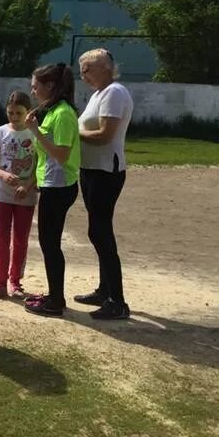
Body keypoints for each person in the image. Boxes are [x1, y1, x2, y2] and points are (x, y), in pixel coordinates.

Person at [74, 49, 135, 319]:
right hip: (90, 169)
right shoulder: (99, 94)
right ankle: (104, 289)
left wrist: (73, 134)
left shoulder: (115, 92)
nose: (83, 75)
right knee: (97, 231)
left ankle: (117, 301)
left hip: (105, 172)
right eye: (82, 70)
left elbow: (104, 136)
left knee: (100, 233)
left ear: (105, 68)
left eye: (87, 69)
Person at [22, 63, 80, 317]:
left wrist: (34, 130)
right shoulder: (53, 111)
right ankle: (54, 294)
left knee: (50, 243)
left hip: (60, 187)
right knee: (48, 242)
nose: (33, 92)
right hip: (51, 185)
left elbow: (61, 154)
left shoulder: (64, 114)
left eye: (36, 87)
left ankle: (57, 300)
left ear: (51, 86)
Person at [0, 91, 38, 300]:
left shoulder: (35, 133)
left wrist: (28, 185)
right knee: (1, 238)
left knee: (21, 239)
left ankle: (15, 281)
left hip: (26, 194)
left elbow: (40, 165)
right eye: (10, 113)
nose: (14, 117)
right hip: (1, 193)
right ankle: (0, 281)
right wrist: (3, 174)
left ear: (28, 112)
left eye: (19, 113)